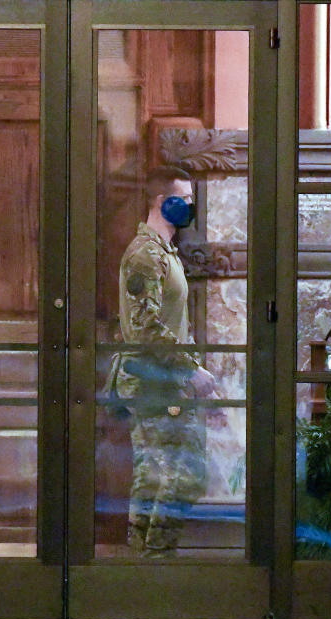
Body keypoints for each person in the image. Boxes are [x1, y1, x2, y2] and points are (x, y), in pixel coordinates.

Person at [107, 165, 216, 557]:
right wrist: (191, 368)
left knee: (154, 476)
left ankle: (145, 564)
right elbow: (145, 327)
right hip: (154, 381)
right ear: (162, 202)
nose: (189, 206)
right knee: (183, 476)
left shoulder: (164, 252)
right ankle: (155, 559)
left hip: (163, 379)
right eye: (184, 199)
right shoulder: (145, 255)